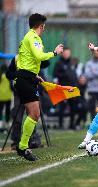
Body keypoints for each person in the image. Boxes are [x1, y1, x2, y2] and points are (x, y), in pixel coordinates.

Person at [14, 13, 63, 161]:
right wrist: (55, 52)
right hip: (24, 80)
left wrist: (34, 75)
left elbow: (25, 60)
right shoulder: (33, 38)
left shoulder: (27, 37)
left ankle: (23, 146)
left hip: (27, 78)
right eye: (44, 26)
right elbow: (39, 56)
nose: (44, 28)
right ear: (41, 26)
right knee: (34, 113)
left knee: (34, 113)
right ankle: (22, 146)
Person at [6, 56, 50, 149]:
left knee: (33, 116)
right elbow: (9, 74)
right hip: (19, 91)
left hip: (32, 90)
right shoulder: (16, 58)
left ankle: (33, 140)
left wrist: (41, 54)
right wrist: (18, 76)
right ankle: (16, 141)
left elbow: (46, 63)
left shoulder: (35, 55)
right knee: (17, 117)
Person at [53, 47, 77, 130]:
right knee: (62, 107)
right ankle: (60, 124)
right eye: (65, 53)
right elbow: (55, 75)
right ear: (62, 53)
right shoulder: (59, 63)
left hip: (72, 88)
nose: (67, 54)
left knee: (73, 106)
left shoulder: (72, 62)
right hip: (63, 88)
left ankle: (72, 124)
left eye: (68, 53)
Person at [0, 63, 12, 132]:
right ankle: (8, 124)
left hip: (1, 96)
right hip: (8, 96)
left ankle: (0, 123)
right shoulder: (8, 76)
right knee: (8, 110)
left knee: (0, 110)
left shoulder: (0, 75)